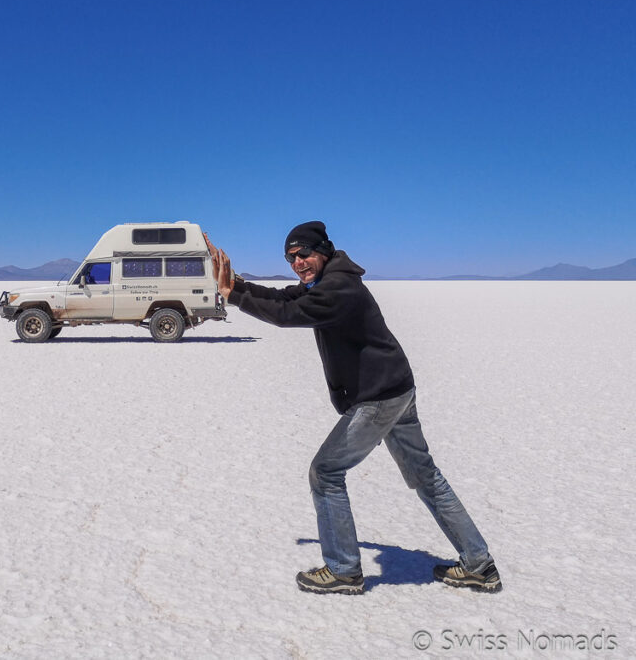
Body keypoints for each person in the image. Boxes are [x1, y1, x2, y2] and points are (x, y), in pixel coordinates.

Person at [205, 221, 501, 595]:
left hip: (378, 397)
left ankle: (343, 570)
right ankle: (479, 564)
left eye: (304, 254)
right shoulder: (331, 281)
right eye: (290, 257)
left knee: (325, 473)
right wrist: (237, 284)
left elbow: (286, 316)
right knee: (426, 477)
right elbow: (286, 299)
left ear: (323, 251)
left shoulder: (339, 288)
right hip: (396, 389)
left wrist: (232, 295)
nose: (297, 263)